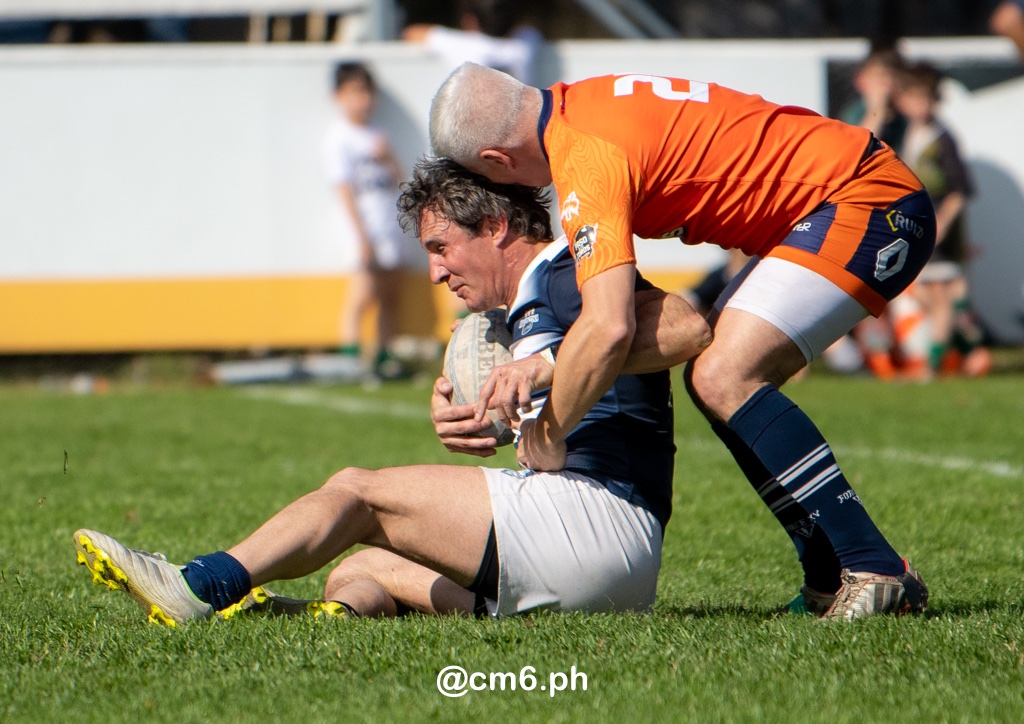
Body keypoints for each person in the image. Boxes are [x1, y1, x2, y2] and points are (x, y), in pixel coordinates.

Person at [72, 159, 710, 624]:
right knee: (360, 568)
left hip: (599, 521)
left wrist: (544, 370)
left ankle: (198, 586)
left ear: (495, 226)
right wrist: (480, 421)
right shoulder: (521, 307)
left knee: (357, 491)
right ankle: (329, 620)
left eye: (441, 248)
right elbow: (577, 400)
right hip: (600, 559)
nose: (434, 272)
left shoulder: (564, 271)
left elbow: (687, 327)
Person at [429, 63, 934, 620]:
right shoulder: (581, 104)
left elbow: (609, 327)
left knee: (723, 375)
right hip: (840, 196)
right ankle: (827, 577)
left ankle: (875, 567)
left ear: (499, 161)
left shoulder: (584, 156)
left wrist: (546, 432)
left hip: (867, 199)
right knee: (714, 376)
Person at [323, 62, 411, 380]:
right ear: (338, 96)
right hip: (363, 227)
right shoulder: (339, 137)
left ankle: (383, 357)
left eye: (367, 93)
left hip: (388, 223)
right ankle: (351, 359)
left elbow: (400, 180)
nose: (363, 100)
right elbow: (344, 189)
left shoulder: (377, 134)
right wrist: (361, 237)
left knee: (390, 295)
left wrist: (388, 157)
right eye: (355, 93)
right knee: (362, 294)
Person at [892, 62, 980, 376]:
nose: (921, 106)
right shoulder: (907, 133)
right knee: (927, 294)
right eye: (914, 99)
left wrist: (942, 223)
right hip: (917, 226)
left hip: (937, 229)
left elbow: (960, 189)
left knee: (939, 295)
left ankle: (932, 366)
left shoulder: (943, 138)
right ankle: (964, 339)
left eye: (926, 99)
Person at [402, 0, 543, 85]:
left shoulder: (459, 44)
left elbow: (410, 33)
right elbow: (531, 31)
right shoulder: (526, 43)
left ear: (471, 21)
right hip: (515, 123)